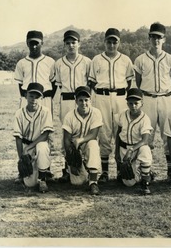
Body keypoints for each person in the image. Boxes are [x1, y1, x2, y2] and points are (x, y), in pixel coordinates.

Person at [134, 22, 171, 180]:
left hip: (165, 98)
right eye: (153, 37)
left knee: (168, 135)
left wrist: (165, 93)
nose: (156, 40)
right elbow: (138, 82)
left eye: (159, 37)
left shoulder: (170, 59)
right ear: (149, 38)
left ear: (164, 39)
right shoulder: (140, 59)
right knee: (147, 135)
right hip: (147, 98)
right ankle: (148, 170)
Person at [88, 28, 134, 183]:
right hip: (102, 97)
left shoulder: (126, 60)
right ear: (104, 42)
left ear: (119, 43)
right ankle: (105, 172)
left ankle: (121, 170)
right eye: (109, 41)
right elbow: (92, 82)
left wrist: (120, 93)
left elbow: (129, 82)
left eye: (115, 41)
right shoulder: (96, 59)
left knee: (121, 131)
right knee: (104, 132)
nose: (112, 44)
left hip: (121, 97)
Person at [54, 30, 91, 183]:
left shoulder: (87, 62)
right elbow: (58, 85)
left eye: (73, 42)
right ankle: (67, 168)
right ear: (64, 44)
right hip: (66, 99)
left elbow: (90, 84)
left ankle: (86, 167)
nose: (71, 45)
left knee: (85, 131)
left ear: (79, 44)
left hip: (82, 100)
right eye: (68, 43)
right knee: (67, 134)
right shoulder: (58, 63)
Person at [62, 86, 103, 195]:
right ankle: (82, 169)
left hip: (87, 144)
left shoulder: (96, 112)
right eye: (81, 100)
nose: (84, 103)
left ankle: (93, 182)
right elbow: (66, 140)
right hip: (74, 149)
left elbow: (94, 134)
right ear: (76, 101)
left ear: (90, 100)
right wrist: (71, 162)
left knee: (93, 144)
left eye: (86, 100)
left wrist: (80, 140)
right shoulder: (69, 116)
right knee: (78, 182)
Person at [13, 83, 54, 193]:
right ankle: (33, 172)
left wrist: (28, 148)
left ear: (41, 98)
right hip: (28, 147)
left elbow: (45, 135)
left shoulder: (45, 111)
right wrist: (21, 158)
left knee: (42, 146)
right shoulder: (19, 113)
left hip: (40, 144)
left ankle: (42, 179)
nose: (34, 100)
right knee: (30, 184)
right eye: (31, 96)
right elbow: (18, 138)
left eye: (37, 97)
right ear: (26, 95)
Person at [115, 88, 153, 195]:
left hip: (137, 148)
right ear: (127, 103)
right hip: (123, 148)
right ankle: (141, 173)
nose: (133, 106)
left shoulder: (145, 118)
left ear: (142, 103)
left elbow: (145, 140)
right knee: (129, 183)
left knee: (145, 150)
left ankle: (145, 181)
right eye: (130, 103)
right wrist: (116, 152)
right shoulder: (122, 114)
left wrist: (131, 149)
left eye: (136, 103)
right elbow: (118, 134)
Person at [14, 30, 57, 114]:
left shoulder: (50, 62)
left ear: (42, 43)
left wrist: (49, 96)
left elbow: (54, 82)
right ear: (27, 43)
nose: (34, 46)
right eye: (31, 43)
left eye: (36, 43)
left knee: (45, 125)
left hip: (44, 98)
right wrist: (25, 96)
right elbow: (20, 83)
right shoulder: (21, 63)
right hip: (27, 99)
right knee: (26, 125)